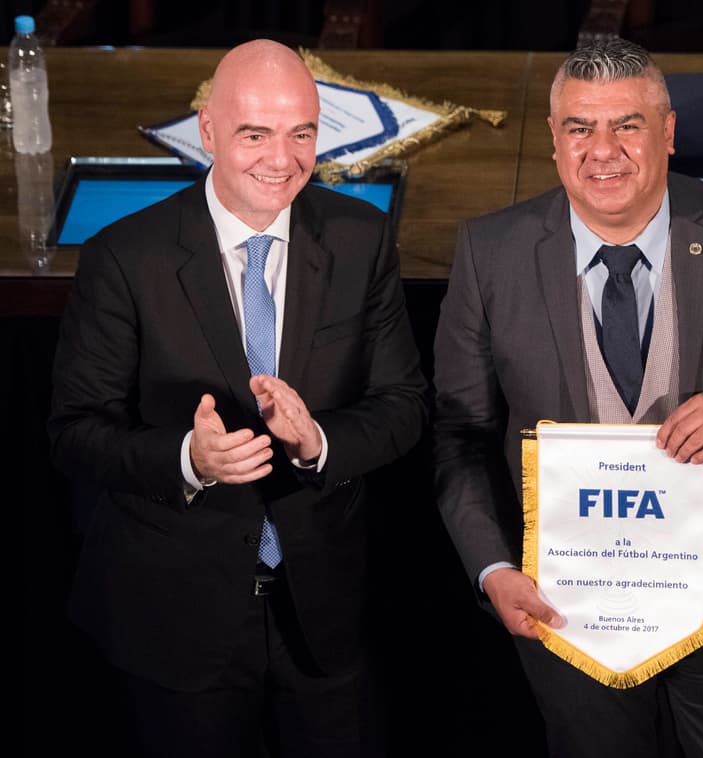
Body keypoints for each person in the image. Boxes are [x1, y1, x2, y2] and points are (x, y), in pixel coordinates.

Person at [433, 38, 703, 758]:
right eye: (579, 128)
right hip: (564, 604)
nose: (603, 151)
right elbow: (459, 436)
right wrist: (493, 569)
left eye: (627, 125)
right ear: (556, 141)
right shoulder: (490, 252)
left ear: (668, 133)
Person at [47, 40, 427, 757]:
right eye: (255, 133)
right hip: (174, 617)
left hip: (323, 612)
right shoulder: (125, 258)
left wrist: (318, 441)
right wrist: (191, 458)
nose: (281, 160)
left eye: (302, 133)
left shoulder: (361, 240)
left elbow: (404, 404)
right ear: (209, 131)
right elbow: (74, 432)